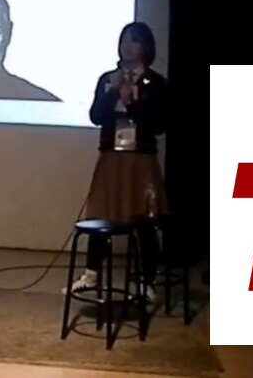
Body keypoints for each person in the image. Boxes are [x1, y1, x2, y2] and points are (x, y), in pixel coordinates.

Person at [69, 21, 168, 299]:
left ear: (146, 47)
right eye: (124, 40)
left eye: (134, 41)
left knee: (144, 219)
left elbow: (158, 124)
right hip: (111, 157)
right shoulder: (107, 79)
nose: (127, 46)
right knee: (102, 215)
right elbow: (96, 116)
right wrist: (114, 91)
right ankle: (91, 275)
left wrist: (132, 102)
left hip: (140, 160)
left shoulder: (156, 83)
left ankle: (146, 281)